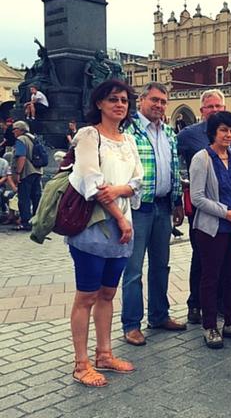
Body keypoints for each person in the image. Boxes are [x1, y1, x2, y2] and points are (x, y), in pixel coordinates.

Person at [66, 78, 143, 387]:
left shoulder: (129, 140)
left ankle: (104, 354)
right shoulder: (88, 135)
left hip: (123, 228)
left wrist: (121, 191)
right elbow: (90, 181)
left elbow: (138, 180)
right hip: (95, 226)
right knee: (87, 295)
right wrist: (120, 217)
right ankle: (81, 364)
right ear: (99, 103)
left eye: (124, 99)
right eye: (112, 99)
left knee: (108, 294)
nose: (119, 104)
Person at [121, 82, 186, 346]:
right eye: (154, 100)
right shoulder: (128, 130)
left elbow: (174, 170)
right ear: (142, 101)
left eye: (163, 102)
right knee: (133, 269)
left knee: (161, 265)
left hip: (163, 206)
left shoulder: (169, 133)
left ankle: (159, 315)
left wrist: (178, 200)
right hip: (138, 207)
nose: (159, 106)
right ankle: (131, 324)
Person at [177, 89, 231, 324]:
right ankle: (198, 306)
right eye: (211, 107)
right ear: (202, 110)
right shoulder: (187, 137)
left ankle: (223, 307)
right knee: (203, 263)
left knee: (228, 268)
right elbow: (178, 167)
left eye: (219, 106)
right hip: (206, 215)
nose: (227, 134)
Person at [189, 111, 231, 348]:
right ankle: (209, 326)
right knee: (210, 277)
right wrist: (226, 213)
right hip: (212, 229)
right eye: (223, 130)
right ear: (213, 133)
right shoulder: (202, 158)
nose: (228, 135)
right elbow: (197, 198)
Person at [11, 121, 43, 231]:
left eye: (14, 129)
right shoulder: (33, 138)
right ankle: (37, 221)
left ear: (20, 129)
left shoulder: (21, 139)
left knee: (24, 199)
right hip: (37, 171)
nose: (13, 131)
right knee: (36, 198)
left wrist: (18, 173)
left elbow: (21, 157)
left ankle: (26, 223)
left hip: (26, 172)